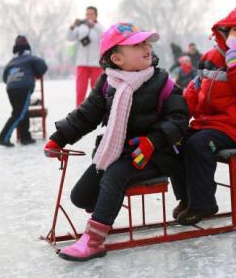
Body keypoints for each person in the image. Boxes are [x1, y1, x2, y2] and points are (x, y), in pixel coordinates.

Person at [44, 23, 189, 262]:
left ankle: (94, 240)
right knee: (80, 196)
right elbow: (86, 115)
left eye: (147, 42)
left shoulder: (162, 82)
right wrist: (58, 139)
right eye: (138, 44)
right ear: (117, 58)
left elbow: (179, 119)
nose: (147, 47)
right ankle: (103, 211)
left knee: (115, 176)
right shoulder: (107, 84)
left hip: (156, 153)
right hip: (116, 151)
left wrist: (153, 141)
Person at [176, 5, 236, 225]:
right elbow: (195, 88)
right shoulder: (210, 57)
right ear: (226, 33)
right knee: (175, 140)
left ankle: (203, 204)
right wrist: (179, 115)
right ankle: (187, 197)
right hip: (206, 122)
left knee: (197, 145)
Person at [0, 36, 47, 146]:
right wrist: (37, 74)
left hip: (11, 88)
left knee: (22, 112)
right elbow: (43, 66)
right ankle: (3, 137)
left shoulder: (11, 62)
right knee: (19, 114)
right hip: (23, 88)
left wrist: (13, 81)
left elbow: (5, 78)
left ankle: (25, 137)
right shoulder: (31, 59)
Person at [67, 6, 105, 106]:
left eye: (91, 14)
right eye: (87, 14)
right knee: (80, 92)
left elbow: (105, 35)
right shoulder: (80, 28)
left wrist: (94, 25)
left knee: (96, 92)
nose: (89, 16)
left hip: (96, 64)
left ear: (96, 15)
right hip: (82, 63)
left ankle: (97, 113)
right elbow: (69, 38)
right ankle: (78, 115)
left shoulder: (100, 27)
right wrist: (72, 27)